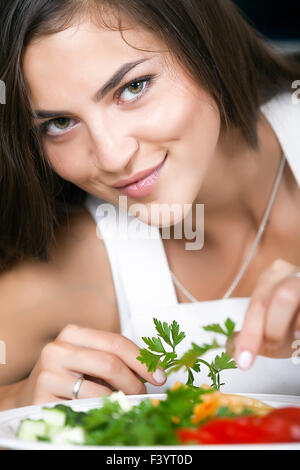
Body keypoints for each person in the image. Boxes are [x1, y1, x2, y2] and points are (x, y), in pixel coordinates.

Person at [0, 0, 300, 411]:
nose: (111, 156)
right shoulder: (76, 266)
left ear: (204, 46)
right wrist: (18, 397)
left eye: (133, 88)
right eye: (60, 123)